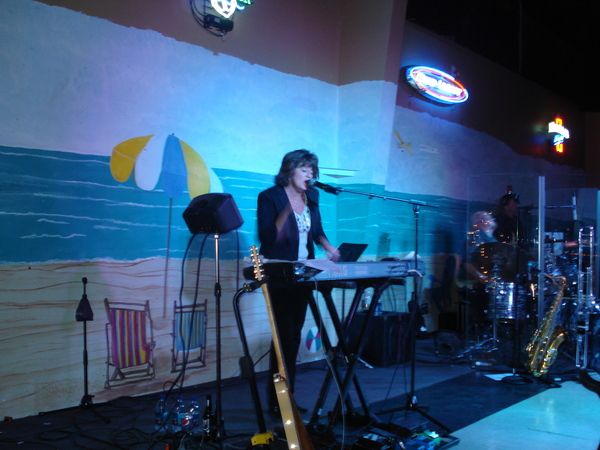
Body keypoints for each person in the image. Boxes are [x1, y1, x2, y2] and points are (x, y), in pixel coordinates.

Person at [257, 149, 339, 414]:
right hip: (279, 272)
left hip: (304, 272)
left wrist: (329, 247)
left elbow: (316, 231)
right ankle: (277, 401)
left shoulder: (312, 195)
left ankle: (287, 397)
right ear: (289, 170)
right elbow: (267, 238)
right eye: (304, 169)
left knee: (294, 335)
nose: (310, 174)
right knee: (283, 337)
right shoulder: (270, 197)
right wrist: (287, 211)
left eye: (312, 170)